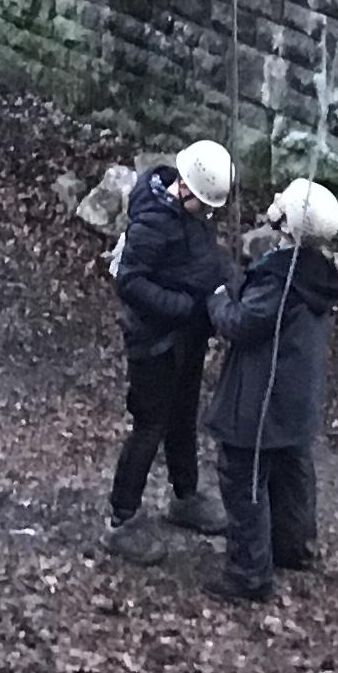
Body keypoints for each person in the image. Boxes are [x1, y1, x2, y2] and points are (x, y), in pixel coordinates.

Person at [204, 178, 338, 603]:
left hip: (259, 401)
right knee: (292, 474)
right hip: (296, 399)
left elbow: (240, 324)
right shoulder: (317, 276)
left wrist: (218, 297)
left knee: (245, 479)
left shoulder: (280, 280)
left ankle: (249, 574)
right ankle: (294, 546)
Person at [103, 140, 235, 560]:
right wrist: (180, 306)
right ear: (187, 189)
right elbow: (130, 281)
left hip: (186, 337)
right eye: (206, 205)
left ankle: (185, 496)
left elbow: (200, 257)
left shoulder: (190, 214)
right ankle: (121, 519)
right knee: (150, 426)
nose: (210, 213)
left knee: (182, 418)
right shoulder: (153, 224)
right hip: (155, 342)